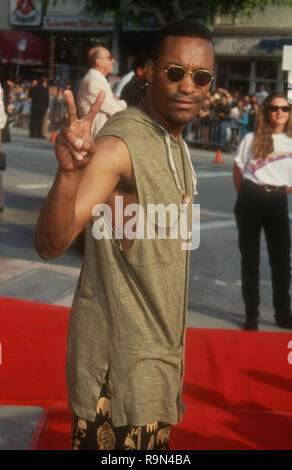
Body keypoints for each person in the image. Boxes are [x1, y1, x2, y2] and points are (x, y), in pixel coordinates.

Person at [35, 20, 214, 450]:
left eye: (201, 77)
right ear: (148, 71)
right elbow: (51, 243)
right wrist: (68, 175)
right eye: (174, 72)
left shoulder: (176, 143)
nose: (188, 86)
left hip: (156, 368)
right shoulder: (119, 146)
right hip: (115, 383)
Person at [233, 92, 292, 331]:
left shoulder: (290, 140)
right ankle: (252, 314)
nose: (280, 113)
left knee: (281, 261)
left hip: (277, 200)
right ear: (266, 112)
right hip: (250, 197)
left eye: (285, 108)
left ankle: (283, 314)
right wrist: (247, 195)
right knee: (250, 259)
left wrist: (277, 193)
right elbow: (238, 169)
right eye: (274, 108)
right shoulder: (252, 137)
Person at [77, 46, 127, 136]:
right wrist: (123, 103)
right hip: (96, 138)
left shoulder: (97, 79)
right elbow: (117, 112)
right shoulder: (94, 81)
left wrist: (116, 102)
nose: (113, 61)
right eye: (109, 58)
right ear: (98, 61)